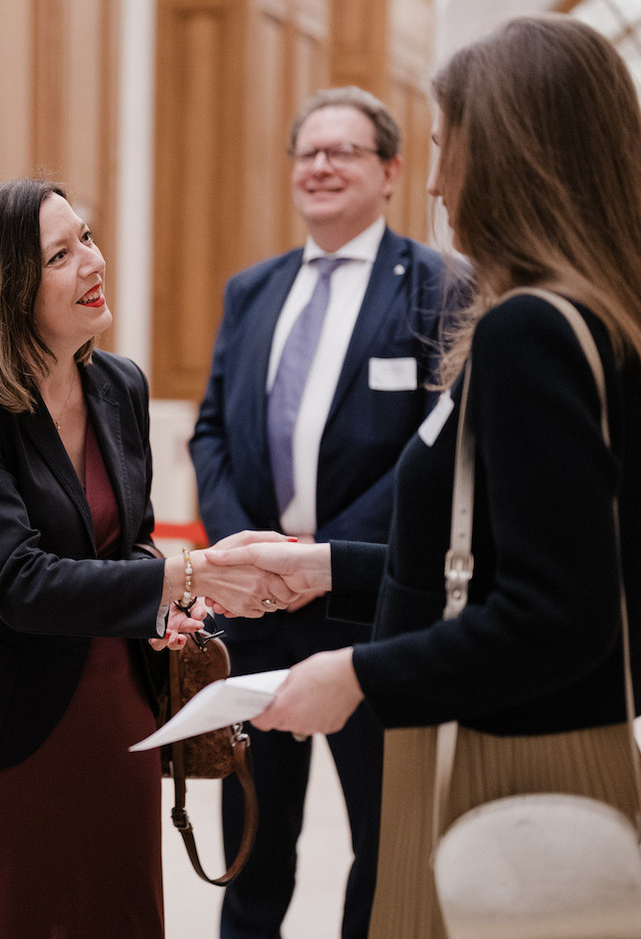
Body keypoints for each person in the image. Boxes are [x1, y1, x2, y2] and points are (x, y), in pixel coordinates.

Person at [202, 15, 641, 939]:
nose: (437, 180)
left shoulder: (531, 330)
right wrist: (333, 567)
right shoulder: (593, 314)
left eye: (446, 146)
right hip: (520, 746)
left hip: (502, 767)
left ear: (512, 151)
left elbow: (558, 611)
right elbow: (491, 553)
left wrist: (358, 672)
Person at [0, 177, 294, 938]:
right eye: (61, 254)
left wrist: (173, 596)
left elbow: (131, 538)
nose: (94, 262)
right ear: (6, 289)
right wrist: (191, 570)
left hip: (117, 715)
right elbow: (16, 581)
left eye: (86, 237)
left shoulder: (119, 385)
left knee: (121, 916)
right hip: (3, 731)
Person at [187, 85, 450, 939]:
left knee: (382, 841)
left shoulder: (441, 288)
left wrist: (320, 560)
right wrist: (248, 555)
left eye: (346, 152)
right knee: (252, 843)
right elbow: (213, 431)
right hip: (254, 618)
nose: (323, 166)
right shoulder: (251, 289)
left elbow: (431, 455)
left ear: (391, 172)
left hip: (373, 614)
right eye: (310, 152)